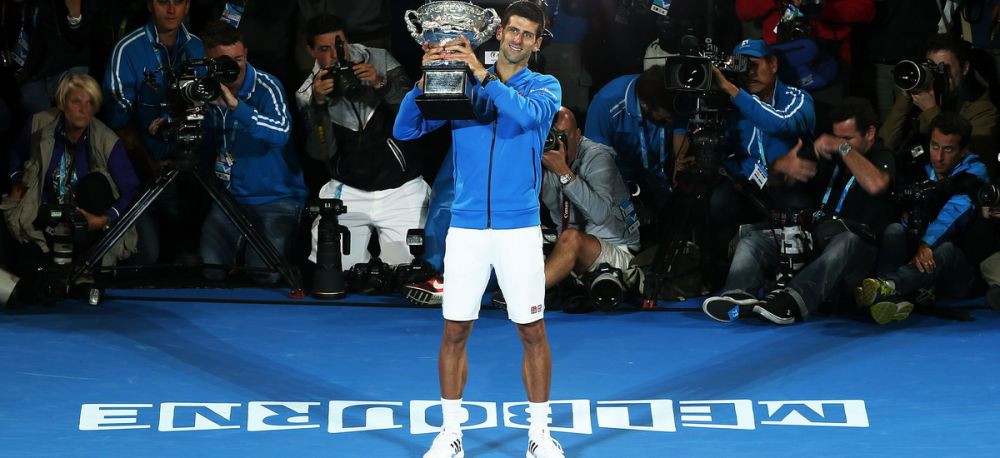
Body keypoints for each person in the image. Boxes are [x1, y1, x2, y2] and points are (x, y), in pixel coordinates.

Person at [392, 1, 565, 457]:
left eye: (528, 34)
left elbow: (526, 118)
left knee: (532, 331)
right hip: (466, 230)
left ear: (537, 42)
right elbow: (405, 129)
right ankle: (450, 434)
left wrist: (482, 74)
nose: (517, 39)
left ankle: (540, 435)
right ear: (501, 32)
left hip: (519, 230)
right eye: (513, 30)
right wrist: (422, 81)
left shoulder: (544, 87)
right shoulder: (464, 84)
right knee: (454, 331)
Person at [703, 97, 895, 324]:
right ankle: (737, 294)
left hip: (859, 251)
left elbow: (877, 185)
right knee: (754, 238)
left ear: (870, 133)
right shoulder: (830, 158)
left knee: (847, 240)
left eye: (847, 139)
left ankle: (793, 301)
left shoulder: (883, 157)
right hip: (819, 238)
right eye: (837, 137)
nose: (839, 144)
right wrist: (778, 168)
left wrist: (842, 148)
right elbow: (776, 181)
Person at [295, 14, 428, 271]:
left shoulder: (379, 59)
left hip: (400, 189)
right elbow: (320, 151)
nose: (335, 55)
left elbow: (417, 117)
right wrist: (318, 106)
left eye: (339, 45)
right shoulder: (307, 92)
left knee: (405, 268)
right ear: (310, 50)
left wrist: (380, 83)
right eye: (324, 49)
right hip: (349, 190)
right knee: (335, 269)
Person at [2, 72, 141, 303]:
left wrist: (105, 219)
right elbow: (15, 153)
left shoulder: (107, 139)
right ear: (62, 103)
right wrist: (18, 181)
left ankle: (87, 269)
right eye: (77, 101)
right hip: (43, 219)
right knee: (31, 274)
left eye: (90, 103)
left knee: (96, 185)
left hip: (87, 228)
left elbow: (132, 190)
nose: (83, 109)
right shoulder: (38, 123)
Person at [495, 106, 640, 307]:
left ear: (578, 135)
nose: (557, 143)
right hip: (565, 245)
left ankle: (526, 293)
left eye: (563, 136)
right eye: (550, 136)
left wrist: (563, 172)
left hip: (616, 252)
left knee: (570, 238)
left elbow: (599, 214)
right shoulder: (539, 157)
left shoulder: (598, 158)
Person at [197, 21, 307, 284]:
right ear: (209, 62)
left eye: (239, 58)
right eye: (225, 61)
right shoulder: (205, 88)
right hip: (229, 201)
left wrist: (236, 106)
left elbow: (281, 133)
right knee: (209, 272)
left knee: (263, 277)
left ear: (245, 53)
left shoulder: (268, 87)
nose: (234, 67)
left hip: (276, 200)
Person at [857, 113, 989, 324]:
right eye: (934, 146)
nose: (938, 156)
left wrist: (926, 243)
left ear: (964, 151)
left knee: (944, 249)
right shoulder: (918, 166)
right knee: (893, 231)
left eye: (948, 149)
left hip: (959, 273)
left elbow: (954, 213)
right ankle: (890, 299)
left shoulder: (975, 172)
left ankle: (887, 286)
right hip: (918, 269)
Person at [102, 0, 206, 263]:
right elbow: (117, 121)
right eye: (163, 1)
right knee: (151, 254)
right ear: (149, 5)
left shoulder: (198, 47)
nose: (171, 9)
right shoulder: (127, 49)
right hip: (144, 166)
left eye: (178, 2)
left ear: (188, 6)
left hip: (194, 162)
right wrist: (150, 163)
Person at [705, 39, 816, 278]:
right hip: (750, 188)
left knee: (792, 201)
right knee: (719, 199)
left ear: (773, 64)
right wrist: (739, 172)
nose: (749, 73)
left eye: (754, 64)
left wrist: (735, 93)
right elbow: (723, 150)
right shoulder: (732, 108)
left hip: (789, 188)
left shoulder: (799, 98)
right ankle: (724, 274)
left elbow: (782, 123)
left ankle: (792, 276)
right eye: (742, 67)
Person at [881, 34, 999, 167]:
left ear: (965, 68)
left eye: (944, 69)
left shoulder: (982, 108)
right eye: (933, 68)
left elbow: (974, 160)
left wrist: (931, 112)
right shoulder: (922, 97)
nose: (938, 75)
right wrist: (906, 98)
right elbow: (885, 145)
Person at [585, 65, 679, 213]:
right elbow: (595, 162)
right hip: (621, 185)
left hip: (660, 180)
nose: (670, 121)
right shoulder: (605, 104)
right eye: (665, 117)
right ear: (645, 105)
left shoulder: (669, 95)